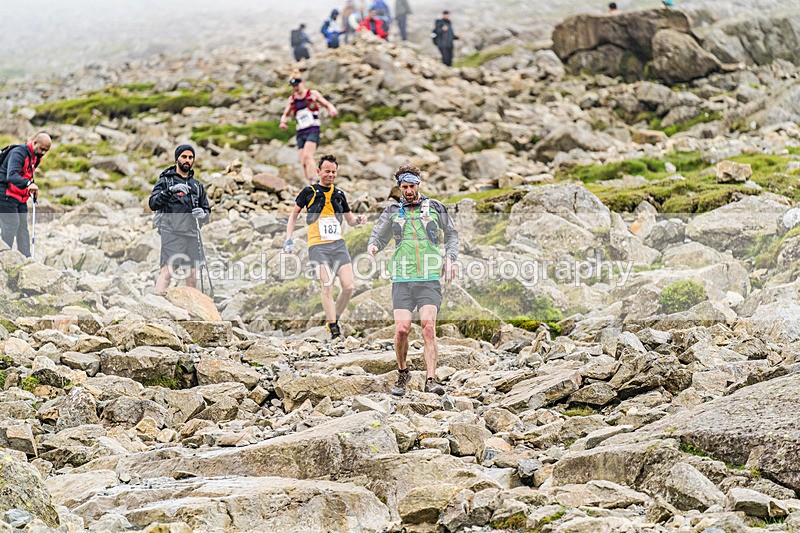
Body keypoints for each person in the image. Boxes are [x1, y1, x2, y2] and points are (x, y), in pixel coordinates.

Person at [367, 165, 458, 396]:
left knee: (428, 326)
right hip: (402, 277)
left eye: (412, 186)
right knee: (402, 329)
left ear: (419, 184)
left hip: (428, 277)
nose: (408, 190)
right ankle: (402, 372)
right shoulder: (392, 211)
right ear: (399, 187)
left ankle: (431, 379)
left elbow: (451, 235)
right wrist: (373, 246)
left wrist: (450, 259)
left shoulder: (436, 207)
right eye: (404, 187)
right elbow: (379, 234)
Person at [284, 154, 367, 340]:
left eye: (334, 172)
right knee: (327, 285)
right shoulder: (309, 191)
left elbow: (350, 220)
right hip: (318, 246)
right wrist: (288, 238)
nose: (330, 174)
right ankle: (333, 328)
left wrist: (359, 221)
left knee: (349, 287)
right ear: (319, 171)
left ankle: (334, 318)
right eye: (327, 171)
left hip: (338, 245)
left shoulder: (339, 194)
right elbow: (293, 215)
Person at [149, 144, 211, 293]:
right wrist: (169, 191)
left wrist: (203, 214)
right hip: (171, 232)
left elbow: (207, 209)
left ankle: (193, 308)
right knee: (167, 272)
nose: (187, 160)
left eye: (190, 157)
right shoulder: (166, 181)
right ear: (177, 158)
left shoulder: (197, 185)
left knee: (192, 275)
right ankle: (155, 304)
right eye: (184, 157)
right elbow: (152, 203)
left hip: (192, 234)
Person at [279, 73, 339, 185]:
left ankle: (314, 180)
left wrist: (332, 109)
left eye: (297, 85)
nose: (295, 88)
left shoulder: (312, 94)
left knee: (308, 156)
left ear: (302, 83)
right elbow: (285, 114)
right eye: (293, 86)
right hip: (300, 131)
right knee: (303, 161)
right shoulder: (292, 99)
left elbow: (326, 103)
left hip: (313, 129)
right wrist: (283, 122)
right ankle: (309, 183)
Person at [0, 132, 51, 257]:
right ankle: (4, 258)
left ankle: (27, 258)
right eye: (42, 149)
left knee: (22, 227)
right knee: (12, 224)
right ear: (34, 142)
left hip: (19, 196)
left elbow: (26, 174)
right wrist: (28, 184)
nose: (44, 152)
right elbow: (11, 175)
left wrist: (32, 186)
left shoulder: (36, 157)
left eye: (46, 150)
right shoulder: (18, 153)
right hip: (4, 193)